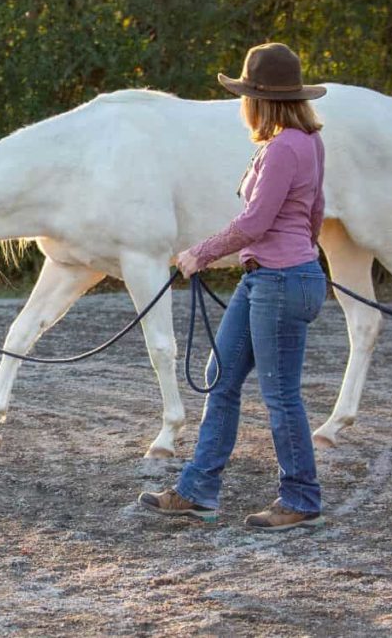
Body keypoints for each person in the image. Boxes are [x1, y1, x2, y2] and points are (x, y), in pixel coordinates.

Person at [139, 42, 328, 532]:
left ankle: (302, 499)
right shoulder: (303, 142)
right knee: (220, 377)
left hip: (279, 281)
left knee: (281, 395)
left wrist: (198, 254)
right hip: (271, 277)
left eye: (245, 94)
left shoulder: (286, 147)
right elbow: (315, 213)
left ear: (259, 99)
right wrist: (300, 255)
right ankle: (198, 489)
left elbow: (255, 221)